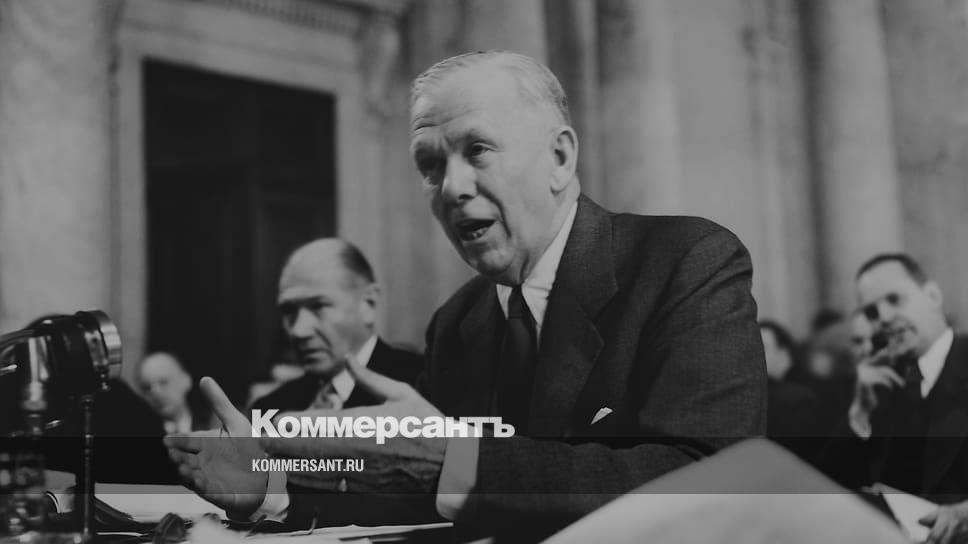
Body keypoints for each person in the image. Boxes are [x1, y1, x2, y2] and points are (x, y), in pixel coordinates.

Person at [166, 50, 765, 540]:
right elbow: (414, 495)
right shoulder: (458, 322)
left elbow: (710, 484)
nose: (450, 187)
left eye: (477, 150)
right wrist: (270, 491)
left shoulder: (686, 261)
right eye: (430, 164)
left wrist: (460, 459)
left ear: (559, 157)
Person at [825, 253, 968, 544]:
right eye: (872, 312)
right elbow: (829, 488)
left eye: (894, 299)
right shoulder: (881, 387)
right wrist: (860, 414)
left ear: (933, 296)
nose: (884, 318)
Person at [249, 238, 423, 412]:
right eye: (289, 311)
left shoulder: (424, 389)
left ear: (368, 304)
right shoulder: (269, 410)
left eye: (318, 306)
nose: (298, 331)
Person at [139, 352, 213, 433]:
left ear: (186, 381)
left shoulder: (213, 428)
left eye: (163, 382)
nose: (156, 392)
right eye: (147, 387)